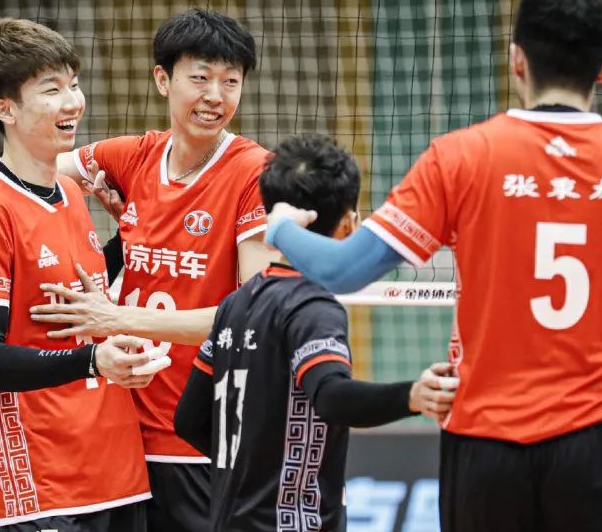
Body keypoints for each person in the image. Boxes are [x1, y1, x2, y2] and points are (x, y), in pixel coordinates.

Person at [266, 0, 602, 532]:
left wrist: (280, 226)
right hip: (600, 446)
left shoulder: (460, 158)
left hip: (486, 446)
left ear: (517, 60)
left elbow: (340, 270)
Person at [0, 9, 273, 531]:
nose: (215, 95)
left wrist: (115, 320)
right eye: (200, 78)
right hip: (118, 440)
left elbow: (255, 319)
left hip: (199, 435)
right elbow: (31, 171)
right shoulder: (132, 157)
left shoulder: (254, 171)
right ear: (163, 80)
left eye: (230, 82)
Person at [174, 134, 457, 531]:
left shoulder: (235, 304)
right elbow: (332, 397)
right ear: (349, 224)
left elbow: (188, 421)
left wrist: (252, 470)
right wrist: (412, 396)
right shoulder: (312, 306)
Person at [0, 17, 159, 531]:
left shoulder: (69, 193)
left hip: (119, 473)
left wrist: (128, 236)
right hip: (44, 487)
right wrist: (93, 361)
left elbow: (82, 287)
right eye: (52, 89)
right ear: (5, 109)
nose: (73, 102)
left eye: (74, 84)